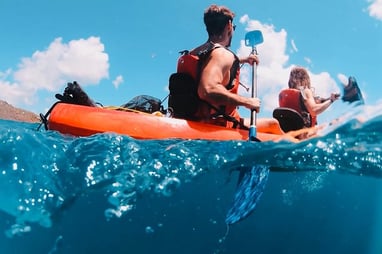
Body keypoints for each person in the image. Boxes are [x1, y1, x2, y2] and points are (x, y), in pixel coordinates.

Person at [175, 4, 283, 134]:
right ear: (229, 26)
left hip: (189, 120)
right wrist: (247, 101)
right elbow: (207, 90)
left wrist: (243, 59)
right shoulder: (222, 54)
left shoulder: (192, 53)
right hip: (216, 126)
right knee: (273, 124)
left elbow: (207, 63)